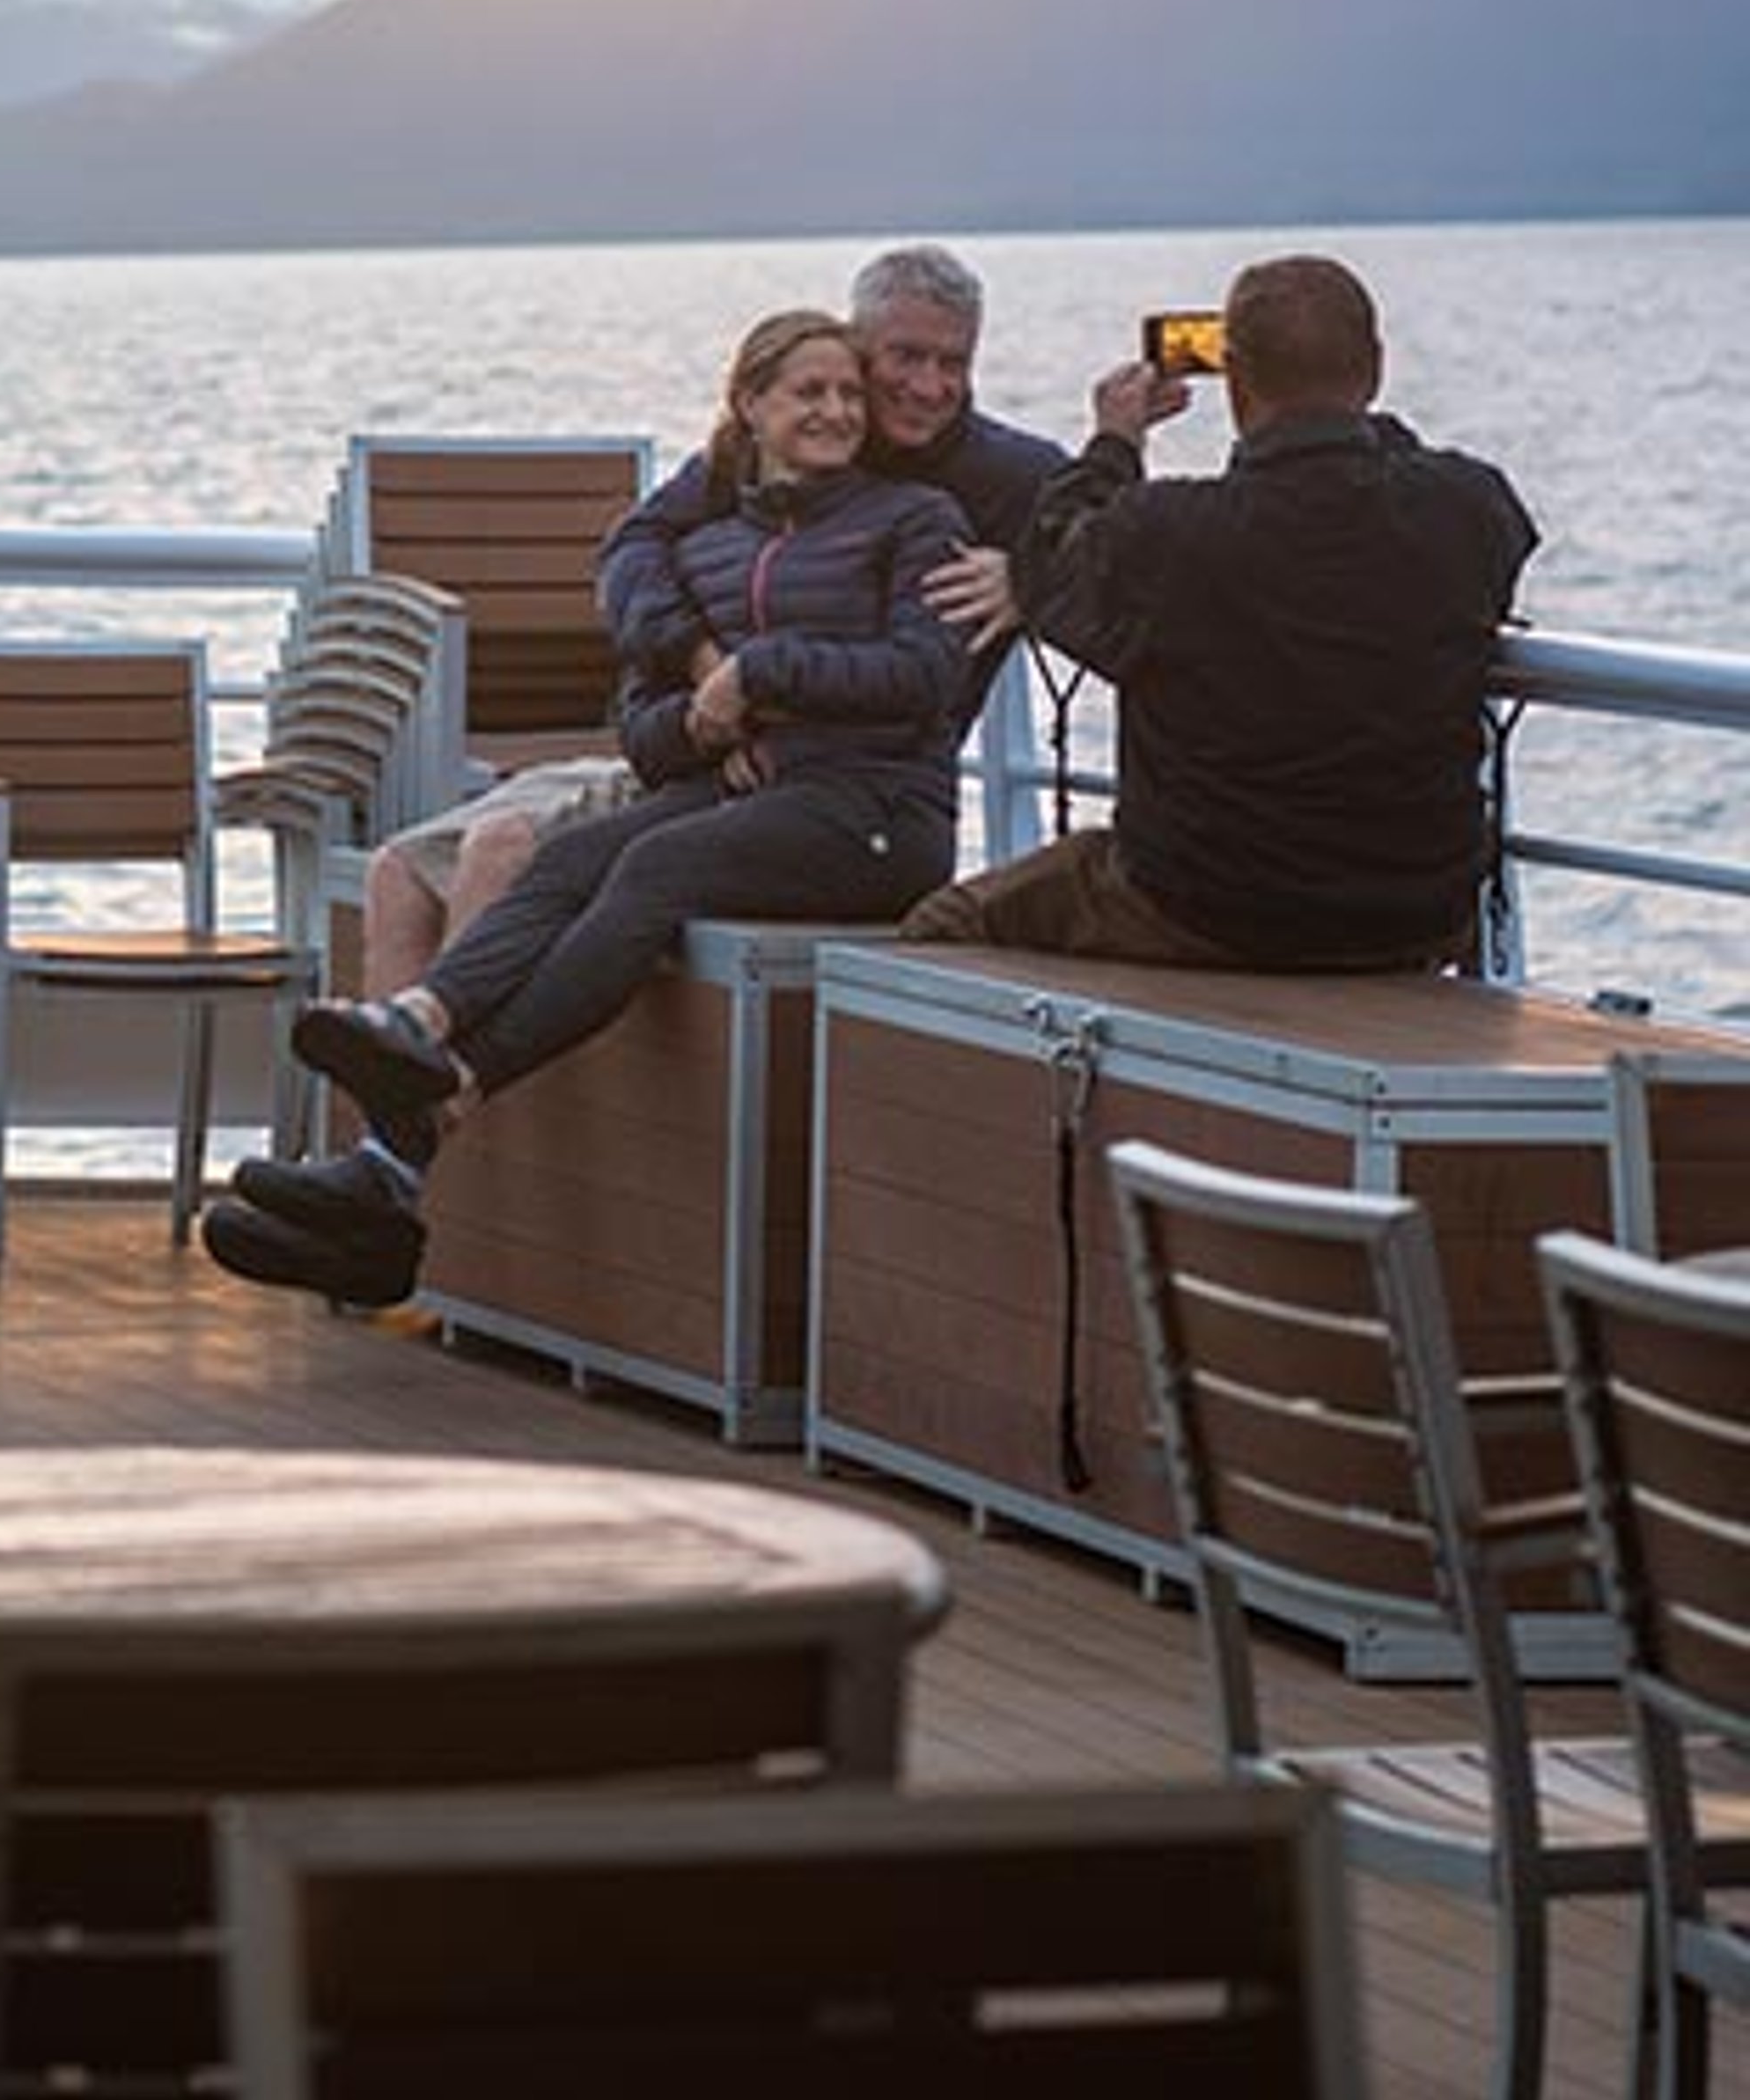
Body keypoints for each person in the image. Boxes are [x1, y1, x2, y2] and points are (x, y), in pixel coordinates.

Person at [208, 307, 973, 1309]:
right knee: (569, 858)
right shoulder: (707, 545)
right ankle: (415, 1032)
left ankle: (441, 1097)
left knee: (654, 867)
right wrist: (700, 724)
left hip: (878, 812)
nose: (835, 411)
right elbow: (644, 727)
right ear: (751, 405)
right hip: (743, 795)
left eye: (846, 394)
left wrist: (762, 671)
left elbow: (926, 674)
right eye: (808, 393)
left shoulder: (915, 520)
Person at [358, 243, 1058, 1003]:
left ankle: (448, 1051)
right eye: (905, 357)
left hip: (854, 799)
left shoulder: (1012, 482)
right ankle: (408, 1055)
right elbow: (631, 550)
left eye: (953, 363)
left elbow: (1130, 581)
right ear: (852, 346)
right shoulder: (756, 461)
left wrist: (1035, 583)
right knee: (402, 867)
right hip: (708, 765)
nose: (928, 386)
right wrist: (707, 670)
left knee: (515, 852)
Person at [899, 253, 1536, 972]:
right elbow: (1477, 523)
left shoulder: (1167, 533)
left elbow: (1047, 562)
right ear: (1377, 367)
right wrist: (1356, 433)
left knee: (942, 926)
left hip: (1204, 907)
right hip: (1419, 914)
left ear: (1233, 379)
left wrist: (1115, 440)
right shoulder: (1466, 507)